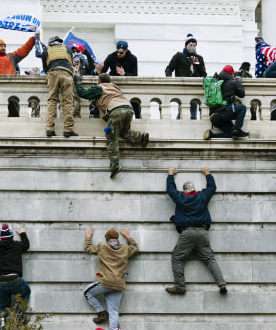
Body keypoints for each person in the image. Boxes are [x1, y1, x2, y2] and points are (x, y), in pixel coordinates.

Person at [165, 165, 226, 294]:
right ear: (194, 189)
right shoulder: (202, 197)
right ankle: (221, 284)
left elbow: (170, 190)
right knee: (210, 259)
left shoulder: (181, 198)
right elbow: (212, 188)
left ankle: (180, 286)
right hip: (203, 232)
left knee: (177, 257)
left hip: (188, 233)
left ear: (185, 191)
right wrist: (208, 174)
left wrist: (170, 175)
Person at [76, 73, 150, 179]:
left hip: (116, 111)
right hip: (128, 109)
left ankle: (114, 166)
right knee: (123, 132)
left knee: (112, 137)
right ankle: (141, 137)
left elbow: (82, 93)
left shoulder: (99, 88)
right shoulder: (115, 88)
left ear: (99, 81)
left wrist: (78, 81)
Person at [84, 228, 139, 330]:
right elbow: (135, 248)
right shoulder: (125, 249)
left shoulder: (102, 246)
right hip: (119, 285)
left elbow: (87, 248)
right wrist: (128, 236)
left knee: (87, 292)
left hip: (106, 282)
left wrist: (88, 236)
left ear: (107, 238)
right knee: (114, 312)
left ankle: (101, 312)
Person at [0, 224, 31, 330]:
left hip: (0, 282)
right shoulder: (17, 246)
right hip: (15, 280)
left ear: (1, 238)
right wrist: (23, 233)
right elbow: (26, 245)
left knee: (4, 308)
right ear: (11, 237)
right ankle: (19, 315)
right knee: (26, 292)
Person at [41, 35, 77, 138]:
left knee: (52, 100)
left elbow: (45, 68)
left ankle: (50, 128)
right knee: (68, 102)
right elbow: (71, 63)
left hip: (53, 74)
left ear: (50, 43)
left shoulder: (46, 51)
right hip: (66, 74)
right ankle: (68, 129)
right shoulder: (67, 49)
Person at [165, 34, 207, 120]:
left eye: (194, 45)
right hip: (182, 86)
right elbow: (169, 69)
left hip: (194, 87)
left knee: (193, 111)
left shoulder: (197, 58)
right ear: (186, 45)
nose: (192, 47)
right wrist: (170, 80)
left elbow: (203, 73)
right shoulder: (179, 56)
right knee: (183, 109)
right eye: (190, 45)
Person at [204, 65, 248, 139]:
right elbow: (242, 94)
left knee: (232, 134)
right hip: (224, 113)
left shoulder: (216, 82)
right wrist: (238, 82)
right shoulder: (232, 82)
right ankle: (237, 129)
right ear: (231, 74)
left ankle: (211, 135)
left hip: (214, 118)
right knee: (242, 108)